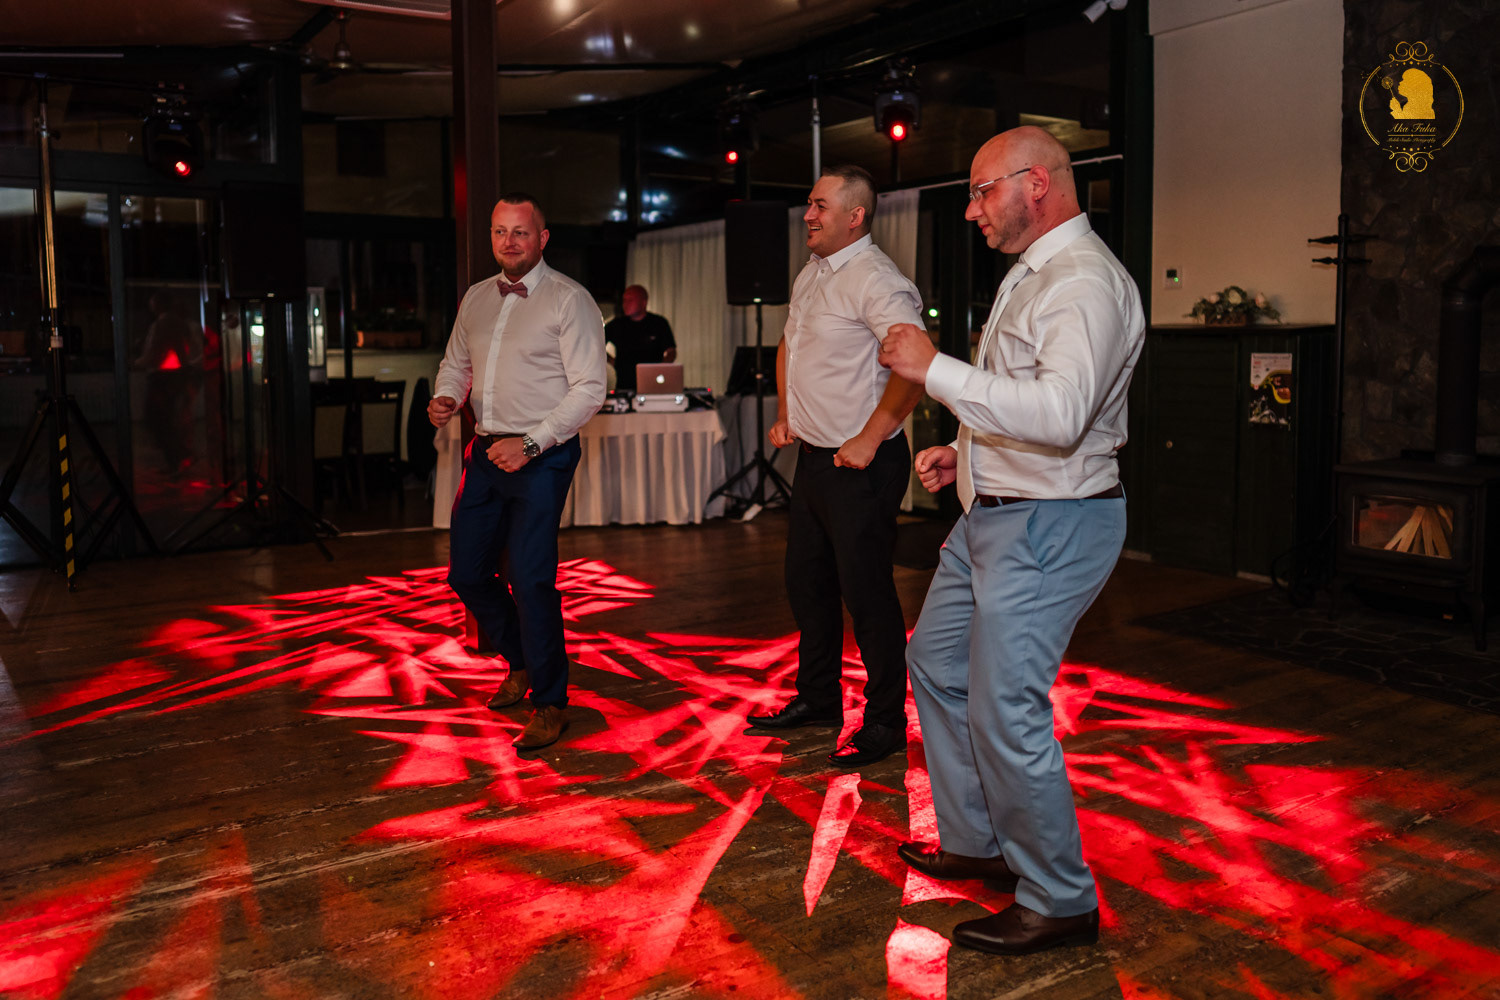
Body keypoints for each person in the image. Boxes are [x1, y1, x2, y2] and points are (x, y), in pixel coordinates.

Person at [878, 126, 1145, 955]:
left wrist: (932, 369)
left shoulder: (1085, 282)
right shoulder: (1035, 274)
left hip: (1048, 522)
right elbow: (1023, 396)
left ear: (1037, 183)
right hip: (992, 514)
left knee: (1005, 707)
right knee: (936, 663)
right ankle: (980, 841)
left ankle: (1059, 898)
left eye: (981, 189)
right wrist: (963, 452)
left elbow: (1062, 417)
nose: (971, 210)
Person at [745, 164, 925, 769]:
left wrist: (870, 439)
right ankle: (819, 699)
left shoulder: (878, 280)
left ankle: (886, 721)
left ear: (856, 215)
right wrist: (786, 411)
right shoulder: (813, 273)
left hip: (863, 463)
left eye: (820, 205)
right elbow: (789, 346)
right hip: (816, 460)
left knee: (867, 595)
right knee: (808, 585)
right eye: (809, 203)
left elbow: (914, 367)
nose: (808, 215)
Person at [429, 193, 607, 751]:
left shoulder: (569, 300)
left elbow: (590, 390)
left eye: (521, 232)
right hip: (485, 453)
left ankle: (551, 702)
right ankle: (522, 660)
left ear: (542, 238)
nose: (509, 241)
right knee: (466, 574)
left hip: (543, 455)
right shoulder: (477, 297)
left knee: (530, 580)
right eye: (500, 231)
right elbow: (456, 364)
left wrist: (530, 444)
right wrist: (446, 395)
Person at [604, 284, 676, 393]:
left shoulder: (658, 323)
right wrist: (612, 361)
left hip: (653, 385)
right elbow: (596, 346)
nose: (625, 304)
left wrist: (661, 368)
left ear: (644, 302)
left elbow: (671, 351)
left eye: (630, 300)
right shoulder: (617, 325)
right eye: (624, 300)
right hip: (624, 385)